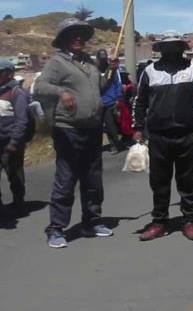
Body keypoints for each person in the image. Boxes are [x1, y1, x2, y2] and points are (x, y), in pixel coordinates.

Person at [132, 28, 193, 242]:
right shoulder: (150, 71)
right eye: (167, 47)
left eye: (175, 46)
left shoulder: (192, 67)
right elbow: (140, 101)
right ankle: (159, 222)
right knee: (159, 181)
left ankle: (189, 220)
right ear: (161, 49)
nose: (171, 51)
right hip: (159, 136)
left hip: (187, 134)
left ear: (180, 49)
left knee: (188, 180)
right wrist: (137, 127)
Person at [34, 18, 114, 249]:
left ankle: (92, 221)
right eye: (73, 35)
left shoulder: (88, 63)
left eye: (81, 34)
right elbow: (39, 86)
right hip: (68, 128)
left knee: (93, 179)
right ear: (64, 40)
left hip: (92, 127)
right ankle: (56, 228)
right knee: (66, 178)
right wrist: (61, 92)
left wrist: (108, 73)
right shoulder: (57, 62)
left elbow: (99, 89)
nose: (78, 38)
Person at [0, 58, 31, 214]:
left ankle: (19, 204)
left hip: (10, 143)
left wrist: (14, 142)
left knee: (14, 175)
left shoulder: (17, 93)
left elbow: (22, 120)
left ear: (9, 74)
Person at [96, 49, 126, 154]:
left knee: (110, 126)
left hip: (111, 102)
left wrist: (118, 98)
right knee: (98, 127)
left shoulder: (113, 69)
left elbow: (118, 84)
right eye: (101, 59)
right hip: (98, 103)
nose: (103, 61)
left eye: (105, 59)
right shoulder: (95, 71)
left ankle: (115, 144)